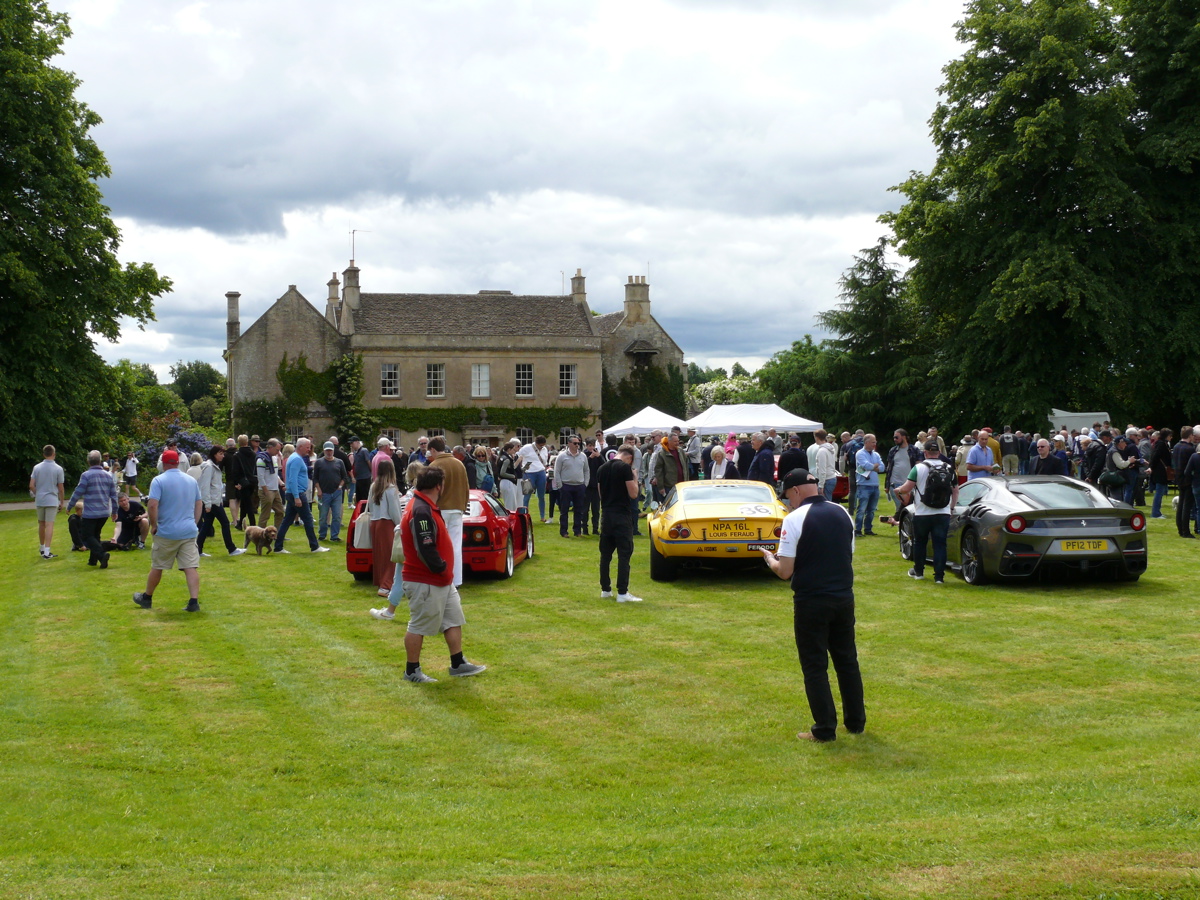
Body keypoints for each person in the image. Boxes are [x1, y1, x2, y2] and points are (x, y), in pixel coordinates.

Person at [762, 469, 865, 743]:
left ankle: (824, 728)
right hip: (843, 596)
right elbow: (848, 553)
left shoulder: (794, 519)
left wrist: (768, 559)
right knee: (847, 660)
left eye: (788, 496)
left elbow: (785, 571)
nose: (789, 502)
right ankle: (856, 722)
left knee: (815, 665)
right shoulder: (843, 513)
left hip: (811, 600)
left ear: (795, 491)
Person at [397, 465, 487, 683]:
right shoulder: (421, 510)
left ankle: (458, 663)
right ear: (438, 486)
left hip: (440, 580)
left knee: (453, 620)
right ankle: (412, 670)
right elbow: (425, 546)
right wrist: (441, 568)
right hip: (425, 580)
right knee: (419, 624)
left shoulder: (425, 506)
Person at [133, 448, 205, 611]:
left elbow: (152, 504)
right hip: (188, 530)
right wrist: (194, 522)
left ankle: (147, 597)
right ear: (178, 463)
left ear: (163, 463)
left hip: (167, 531)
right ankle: (194, 602)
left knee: (158, 566)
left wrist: (154, 524)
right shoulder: (190, 481)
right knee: (190, 567)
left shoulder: (158, 481)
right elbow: (199, 503)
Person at [896, 441, 958, 583]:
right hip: (943, 512)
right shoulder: (949, 468)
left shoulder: (918, 468)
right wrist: (952, 508)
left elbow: (907, 488)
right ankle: (939, 577)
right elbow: (955, 490)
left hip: (923, 512)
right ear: (939, 453)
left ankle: (919, 572)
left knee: (920, 542)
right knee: (940, 544)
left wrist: (899, 490)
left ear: (925, 452)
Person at [597, 444, 643, 602]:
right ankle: (622, 593)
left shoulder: (601, 468)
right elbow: (633, 493)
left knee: (605, 555)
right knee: (624, 555)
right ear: (629, 458)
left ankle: (605, 590)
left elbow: (600, 494)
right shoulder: (625, 468)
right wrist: (635, 477)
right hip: (621, 516)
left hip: (607, 515)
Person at [272, 438, 330, 554]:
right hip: (297, 493)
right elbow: (292, 479)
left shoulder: (295, 458)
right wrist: (297, 497)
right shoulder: (296, 460)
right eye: (307, 447)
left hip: (294, 493)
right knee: (308, 520)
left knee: (287, 520)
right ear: (300, 447)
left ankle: (278, 547)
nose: (309, 450)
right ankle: (314, 546)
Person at [427, 436, 469, 587]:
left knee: (438, 546)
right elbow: (466, 488)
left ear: (433, 449)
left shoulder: (434, 465)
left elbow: (429, 491)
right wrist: (463, 506)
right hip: (457, 508)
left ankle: (442, 577)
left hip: (440, 510)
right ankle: (456, 580)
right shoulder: (459, 464)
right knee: (456, 546)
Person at [66, 450, 119, 569]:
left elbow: (78, 492)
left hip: (91, 512)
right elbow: (114, 495)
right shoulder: (108, 475)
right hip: (104, 512)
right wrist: (115, 511)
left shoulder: (86, 475)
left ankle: (101, 555)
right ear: (100, 461)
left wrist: (70, 505)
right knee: (95, 535)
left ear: (88, 462)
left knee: (86, 536)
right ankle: (93, 560)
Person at [195, 445, 244, 557]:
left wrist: (219, 500)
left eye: (223, 454)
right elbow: (205, 486)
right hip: (212, 502)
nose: (223, 456)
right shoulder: (209, 467)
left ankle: (198, 550)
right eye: (220, 453)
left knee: (206, 526)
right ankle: (231, 549)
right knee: (225, 523)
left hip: (214, 501)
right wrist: (207, 503)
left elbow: (215, 486)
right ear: (214, 454)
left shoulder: (214, 466)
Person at [367, 456, 404, 597]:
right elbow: (394, 511)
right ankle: (386, 586)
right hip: (387, 524)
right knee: (391, 556)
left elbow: (370, 506)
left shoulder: (373, 486)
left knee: (380, 556)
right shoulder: (391, 488)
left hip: (375, 523)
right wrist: (400, 525)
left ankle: (381, 582)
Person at [30, 444, 65, 559]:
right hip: (51, 499)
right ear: (54, 454)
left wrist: (37, 493)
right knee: (49, 524)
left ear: (43, 454)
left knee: (41, 523)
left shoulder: (37, 467)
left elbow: (31, 485)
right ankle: (47, 551)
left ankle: (41, 547)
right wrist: (62, 501)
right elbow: (60, 487)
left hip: (40, 499)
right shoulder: (58, 468)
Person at [553, 435, 589, 537]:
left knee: (579, 510)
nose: (577, 445)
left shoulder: (583, 456)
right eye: (575, 443)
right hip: (566, 486)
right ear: (569, 444)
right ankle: (564, 531)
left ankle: (577, 531)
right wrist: (560, 486)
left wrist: (585, 484)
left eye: (578, 443)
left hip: (579, 486)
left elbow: (586, 471)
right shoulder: (562, 456)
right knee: (564, 510)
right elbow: (557, 472)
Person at [884, 429, 920, 525]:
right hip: (894, 483)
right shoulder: (893, 450)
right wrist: (887, 485)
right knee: (899, 506)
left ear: (904, 437)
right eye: (894, 437)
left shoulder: (914, 450)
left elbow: (919, 467)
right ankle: (901, 526)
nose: (895, 439)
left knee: (907, 507)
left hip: (909, 484)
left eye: (897, 437)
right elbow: (889, 468)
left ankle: (902, 525)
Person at [314, 441, 348, 542]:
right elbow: (315, 478)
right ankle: (322, 534)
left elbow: (344, 477)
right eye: (327, 451)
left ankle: (334, 536)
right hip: (324, 493)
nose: (329, 453)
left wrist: (340, 486)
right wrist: (319, 490)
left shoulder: (339, 462)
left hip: (337, 493)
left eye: (330, 450)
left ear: (333, 451)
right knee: (323, 516)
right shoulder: (319, 462)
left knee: (337, 516)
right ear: (324, 451)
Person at [853, 434, 884, 537]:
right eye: (873, 442)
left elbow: (883, 467)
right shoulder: (860, 453)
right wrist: (874, 466)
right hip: (864, 485)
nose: (875, 444)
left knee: (871, 510)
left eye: (875, 442)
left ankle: (868, 529)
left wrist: (872, 467)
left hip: (875, 485)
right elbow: (866, 466)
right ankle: (857, 530)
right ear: (866, 442)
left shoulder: (876, 454)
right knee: (861, 509)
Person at [517, 435, 550, 521]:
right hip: (528, 473)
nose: (541, 447)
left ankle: (542, 516)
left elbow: (545, 461)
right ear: (536, 443)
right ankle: (524, 516)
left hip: (541, 472)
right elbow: (517, 456)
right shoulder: (527, 447)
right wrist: (523, 467)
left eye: (543, 445)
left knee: (541, 496)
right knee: (526, 496)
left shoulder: (545, 449)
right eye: (540, 446)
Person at [651, 431, 690, 502]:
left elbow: (685, 466)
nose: (677, 443)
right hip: (669, 486)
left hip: (682, 484)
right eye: (675, 441)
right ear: (669, 441)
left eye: (678, 441)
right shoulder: (662, 454)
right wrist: (661, 487)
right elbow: (658, 471)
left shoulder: (680, 451)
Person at [256, 438, 285, 529]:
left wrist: (281, 483)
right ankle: (260, 535)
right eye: (277, 449)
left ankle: (277, 534)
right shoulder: (261, 460)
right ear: (270, 447)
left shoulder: (274, 458)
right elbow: (260, 477)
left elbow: (275, 474)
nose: (278, 452)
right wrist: (265, 490)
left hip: (275, 489)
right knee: (265, 515)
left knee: (280, 512)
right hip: (267, 490)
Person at [1149, 429, 1173, 518]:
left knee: (1159, 492)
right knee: (1159, 493)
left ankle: (1156, 512)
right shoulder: (1161, 444)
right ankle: (1155, 513)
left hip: (1159, 471)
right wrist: (1151, 467)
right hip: (1161, 472)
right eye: (1170, 436)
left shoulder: (1160, 443)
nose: (1171, 438)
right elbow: (1155, 457)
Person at [496, 439, 524, 512]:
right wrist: (513, 476)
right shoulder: (507, 459)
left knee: (509, 504)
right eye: (512, 450)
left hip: (504, 482)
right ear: (509, 449)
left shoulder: (501, 457)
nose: (514, 451)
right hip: (508, 482)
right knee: (511, 506)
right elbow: (502, 473)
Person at [351, 437, 372, 511]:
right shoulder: (355, 453)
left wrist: (371, 472)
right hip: (359, 478)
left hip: (365, 477)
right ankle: (360, 511)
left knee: (365, 497)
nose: (351, 445)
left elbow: (368, 462)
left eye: (352, 443)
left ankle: (366, 511)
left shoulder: (364, 451)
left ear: (357, 442)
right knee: (358, 497)